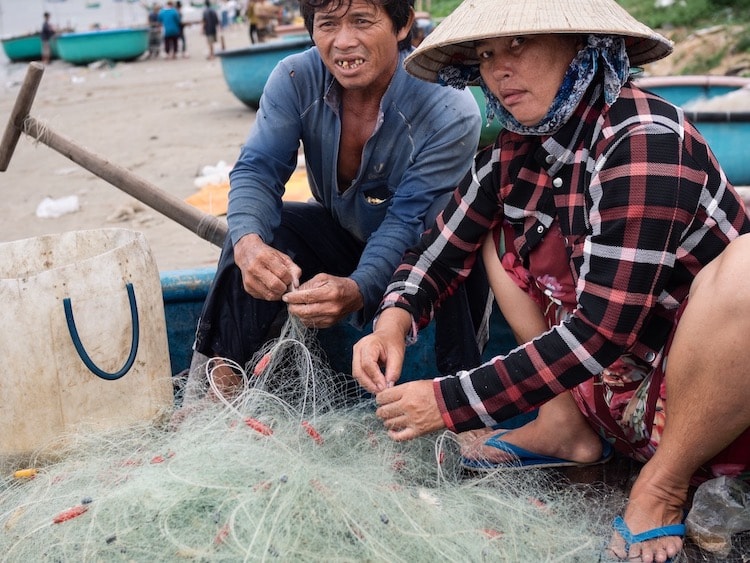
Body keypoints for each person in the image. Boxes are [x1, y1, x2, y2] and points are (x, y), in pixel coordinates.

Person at [351, 0, 750, 561]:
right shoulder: (511, 153)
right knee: (492, 233)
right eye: (487, 55)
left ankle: (664, 484)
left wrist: (450, 401)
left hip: (710, 411)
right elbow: (439, 251)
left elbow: (600, 332)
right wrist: (392, 319)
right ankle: (563, 424)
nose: (498, 69)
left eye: (518, 45)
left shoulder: (644, 138)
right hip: (615, 394)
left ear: (582, 46)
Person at [190, 0, 486, 401]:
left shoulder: (448, 107)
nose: (344, 42)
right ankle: (218, 390)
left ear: (402, 27)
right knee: (259, 231)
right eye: (328, 24)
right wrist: (248, 245)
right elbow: (258, 169)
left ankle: (459, 399)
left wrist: (358, 287)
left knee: (451, 235)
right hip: (346, 236)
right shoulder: (296, 77)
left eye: (362, 21)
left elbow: (407, 221)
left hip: (421, 257)